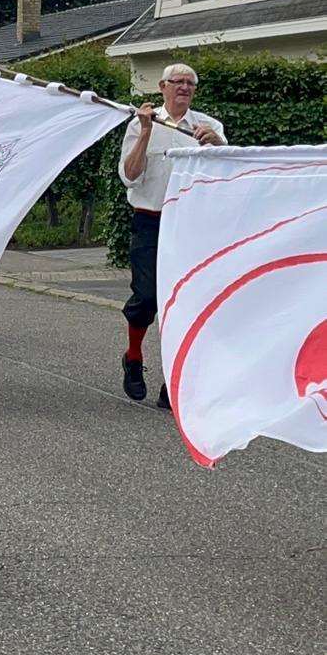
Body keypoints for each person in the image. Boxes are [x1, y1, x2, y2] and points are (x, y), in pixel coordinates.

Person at [118, 62, 226, 408]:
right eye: (176, 81)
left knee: (184, 303)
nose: (184, 87)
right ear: (162, 87)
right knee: (147, 297)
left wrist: (217, 146)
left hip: (191, 225)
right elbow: (130, 176)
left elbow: (225, 178)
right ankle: (133, 357)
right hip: (149, 221)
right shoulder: (141, 124)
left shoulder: (209, 127)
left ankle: (174, 378)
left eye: (189, 83)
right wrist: (145, 133)